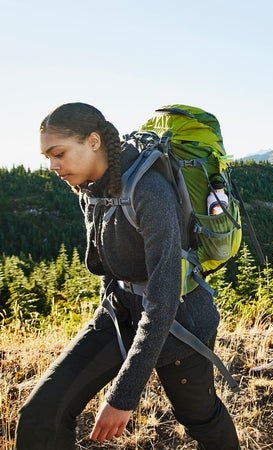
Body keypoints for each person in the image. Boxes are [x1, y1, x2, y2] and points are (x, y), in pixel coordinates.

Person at [16, 103, 240, 450]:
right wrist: (104, 321)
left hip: (180, 322)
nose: (52, 166)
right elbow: (109, 264)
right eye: (47, 156)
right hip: (120, 314)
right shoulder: (92, 190)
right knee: (41, 414)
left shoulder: (149, 190)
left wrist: (123, 395)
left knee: (201, 419)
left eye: (58, 153)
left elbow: (163, 299)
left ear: (93, 141)